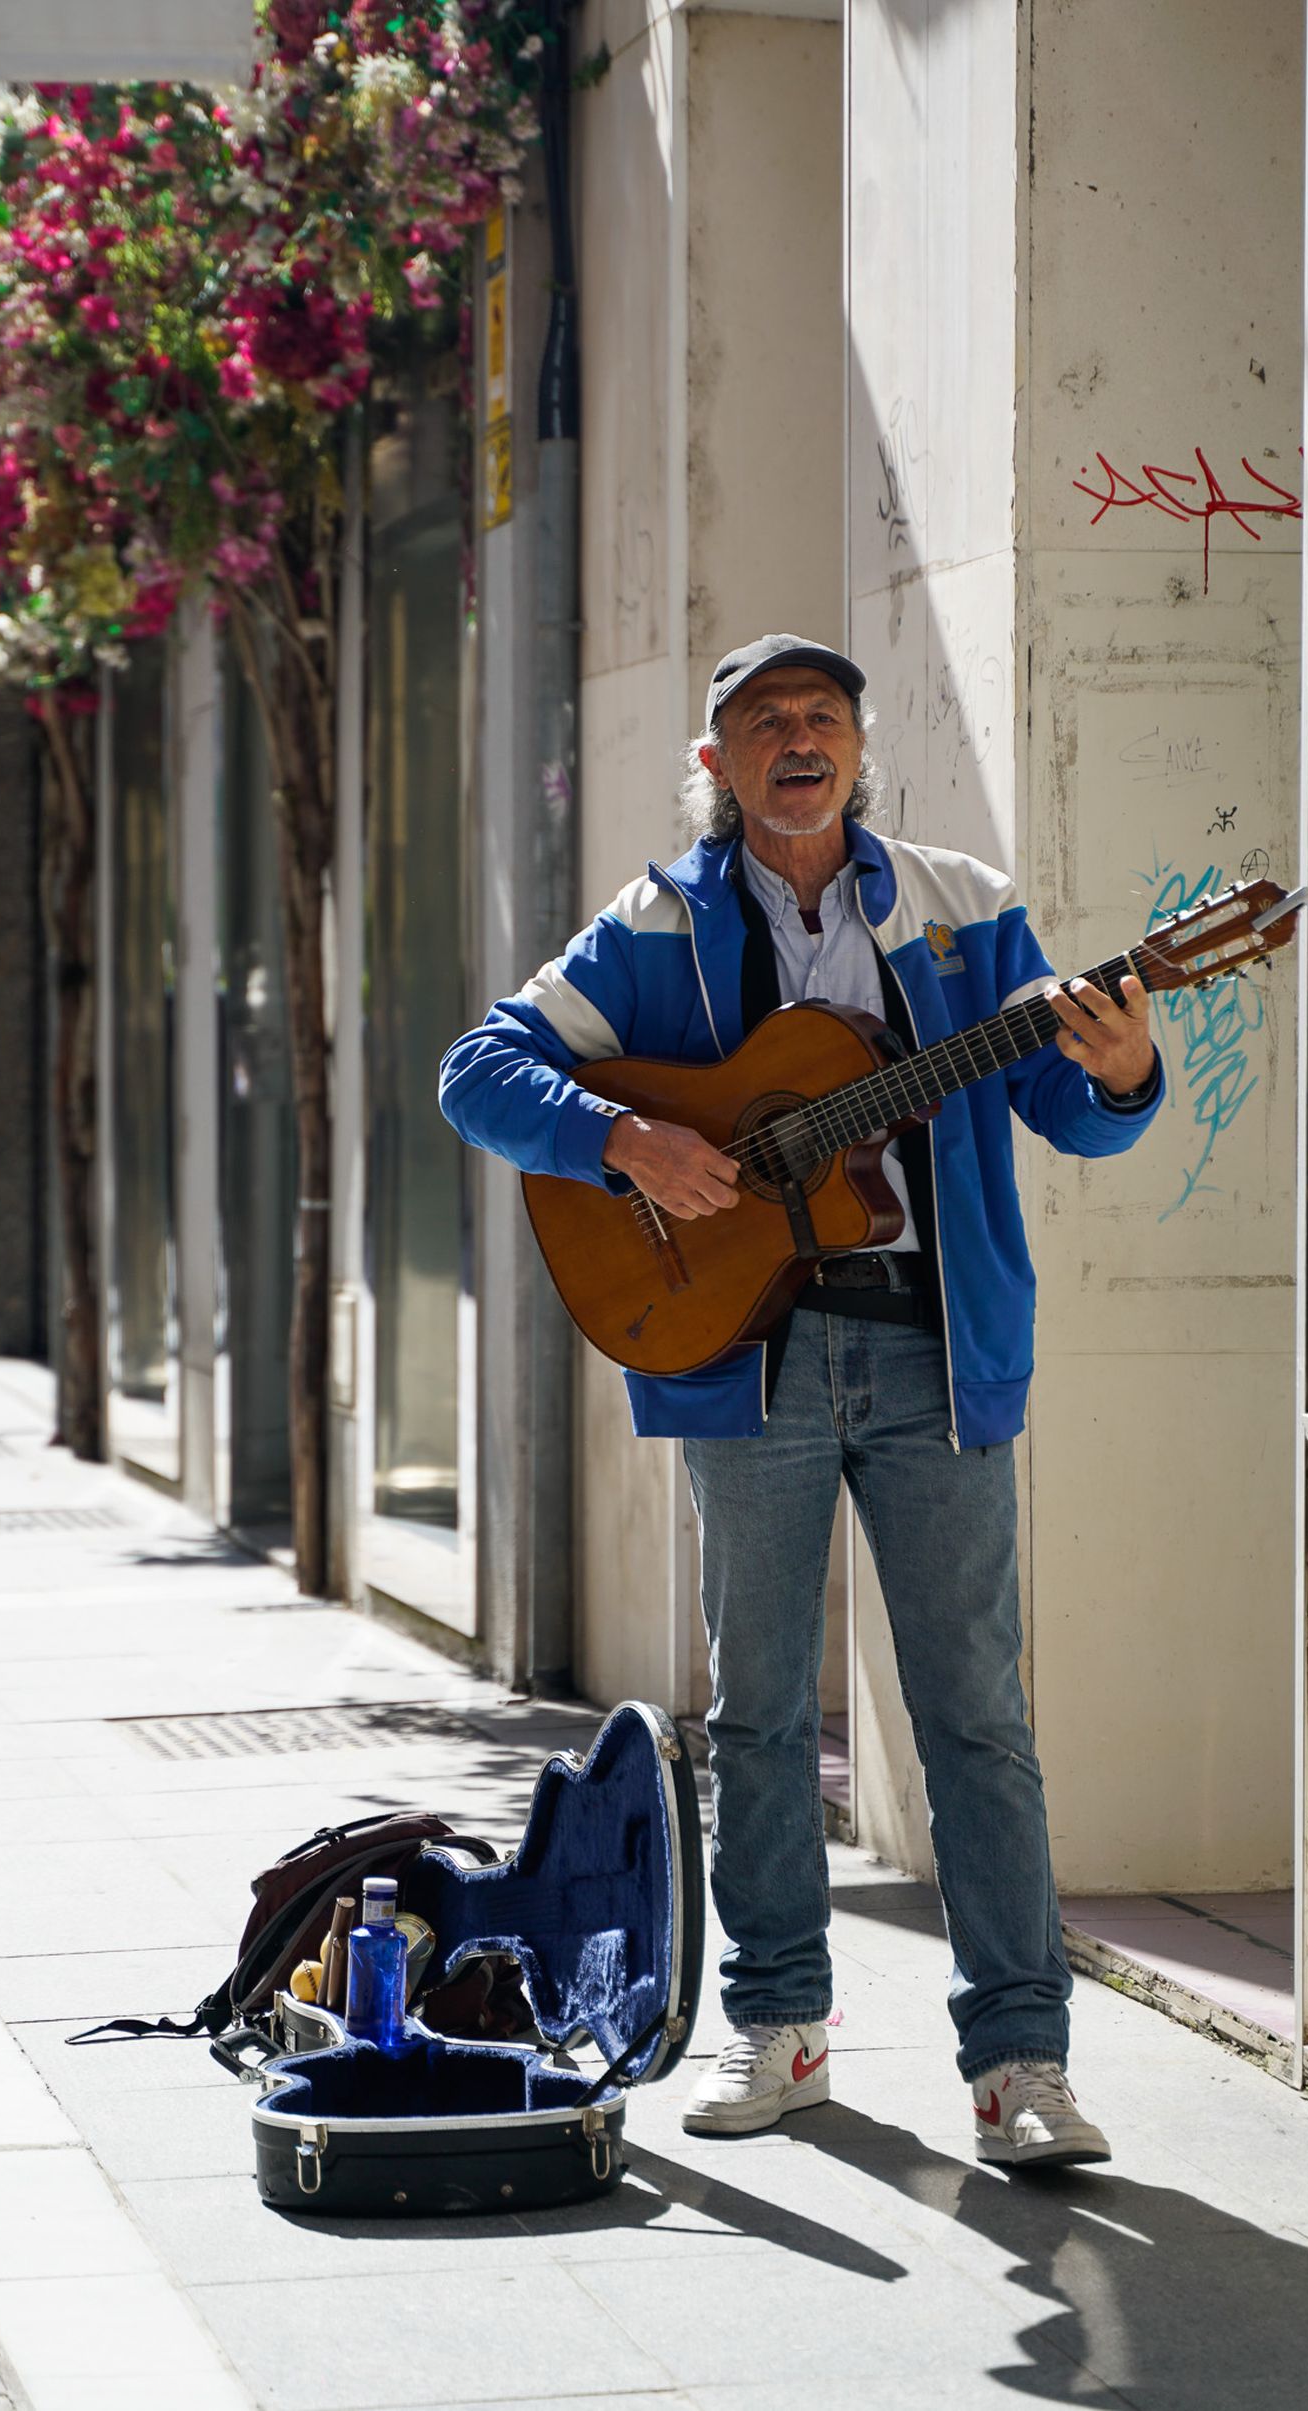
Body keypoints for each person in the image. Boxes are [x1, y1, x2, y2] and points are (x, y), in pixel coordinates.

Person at [440, 633, 1164, 2170]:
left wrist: (1125, 1064)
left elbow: (1071, 1113)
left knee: (977, 1710)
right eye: (762, 721)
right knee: (758, 1707)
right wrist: (622, 1139)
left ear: (858, 745)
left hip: (934, 1352)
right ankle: (779, 2023)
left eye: (822, 716)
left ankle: (1020, 2058)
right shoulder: (657, 920)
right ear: (713, 760)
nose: (796, 738)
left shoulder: (962, 905)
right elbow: (474, 1069)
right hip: (744, 1356)